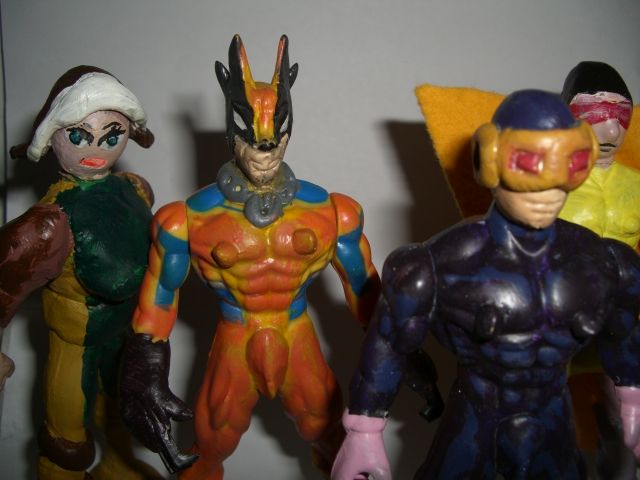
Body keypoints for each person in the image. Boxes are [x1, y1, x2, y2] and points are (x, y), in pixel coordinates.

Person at [331, 90, 640, 479]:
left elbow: (624, 338)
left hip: (554, 424)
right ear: (490, 160)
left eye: (570, 165)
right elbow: (389, 344)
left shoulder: (603, 263)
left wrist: (633, 404)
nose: (546, 192)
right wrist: (363, 431)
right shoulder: (438, 266)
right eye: (527, 165)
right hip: (474, 425)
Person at [119, 35, 381, 479]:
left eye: (275, 133)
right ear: (231, 131)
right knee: (209, 446)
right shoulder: (186, 220)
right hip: (235, 340)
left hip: (296, 335)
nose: (265, 145)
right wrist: (143, 367)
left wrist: (397, 344)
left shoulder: (331, 211)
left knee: (331, 436)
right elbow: (160, 297)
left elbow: (364, 288)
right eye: (252, 133)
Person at [0, 65, 158, 480]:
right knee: (66, 438)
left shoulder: (135, 189)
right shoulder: (49, 223)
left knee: (121, 414)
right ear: (52, 136)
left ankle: (117, 466)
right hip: (75, 345)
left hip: (124, 336)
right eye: (78, 135)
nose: (96, 147)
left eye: (112, 135)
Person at [558, 61, 640, 478]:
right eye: (593, 113)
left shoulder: (636, 185)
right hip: (559, 315)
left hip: (622, 315)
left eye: (621, 114)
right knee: (545, 411)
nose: (610, 130)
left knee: (628, 419)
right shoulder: (547, 182)